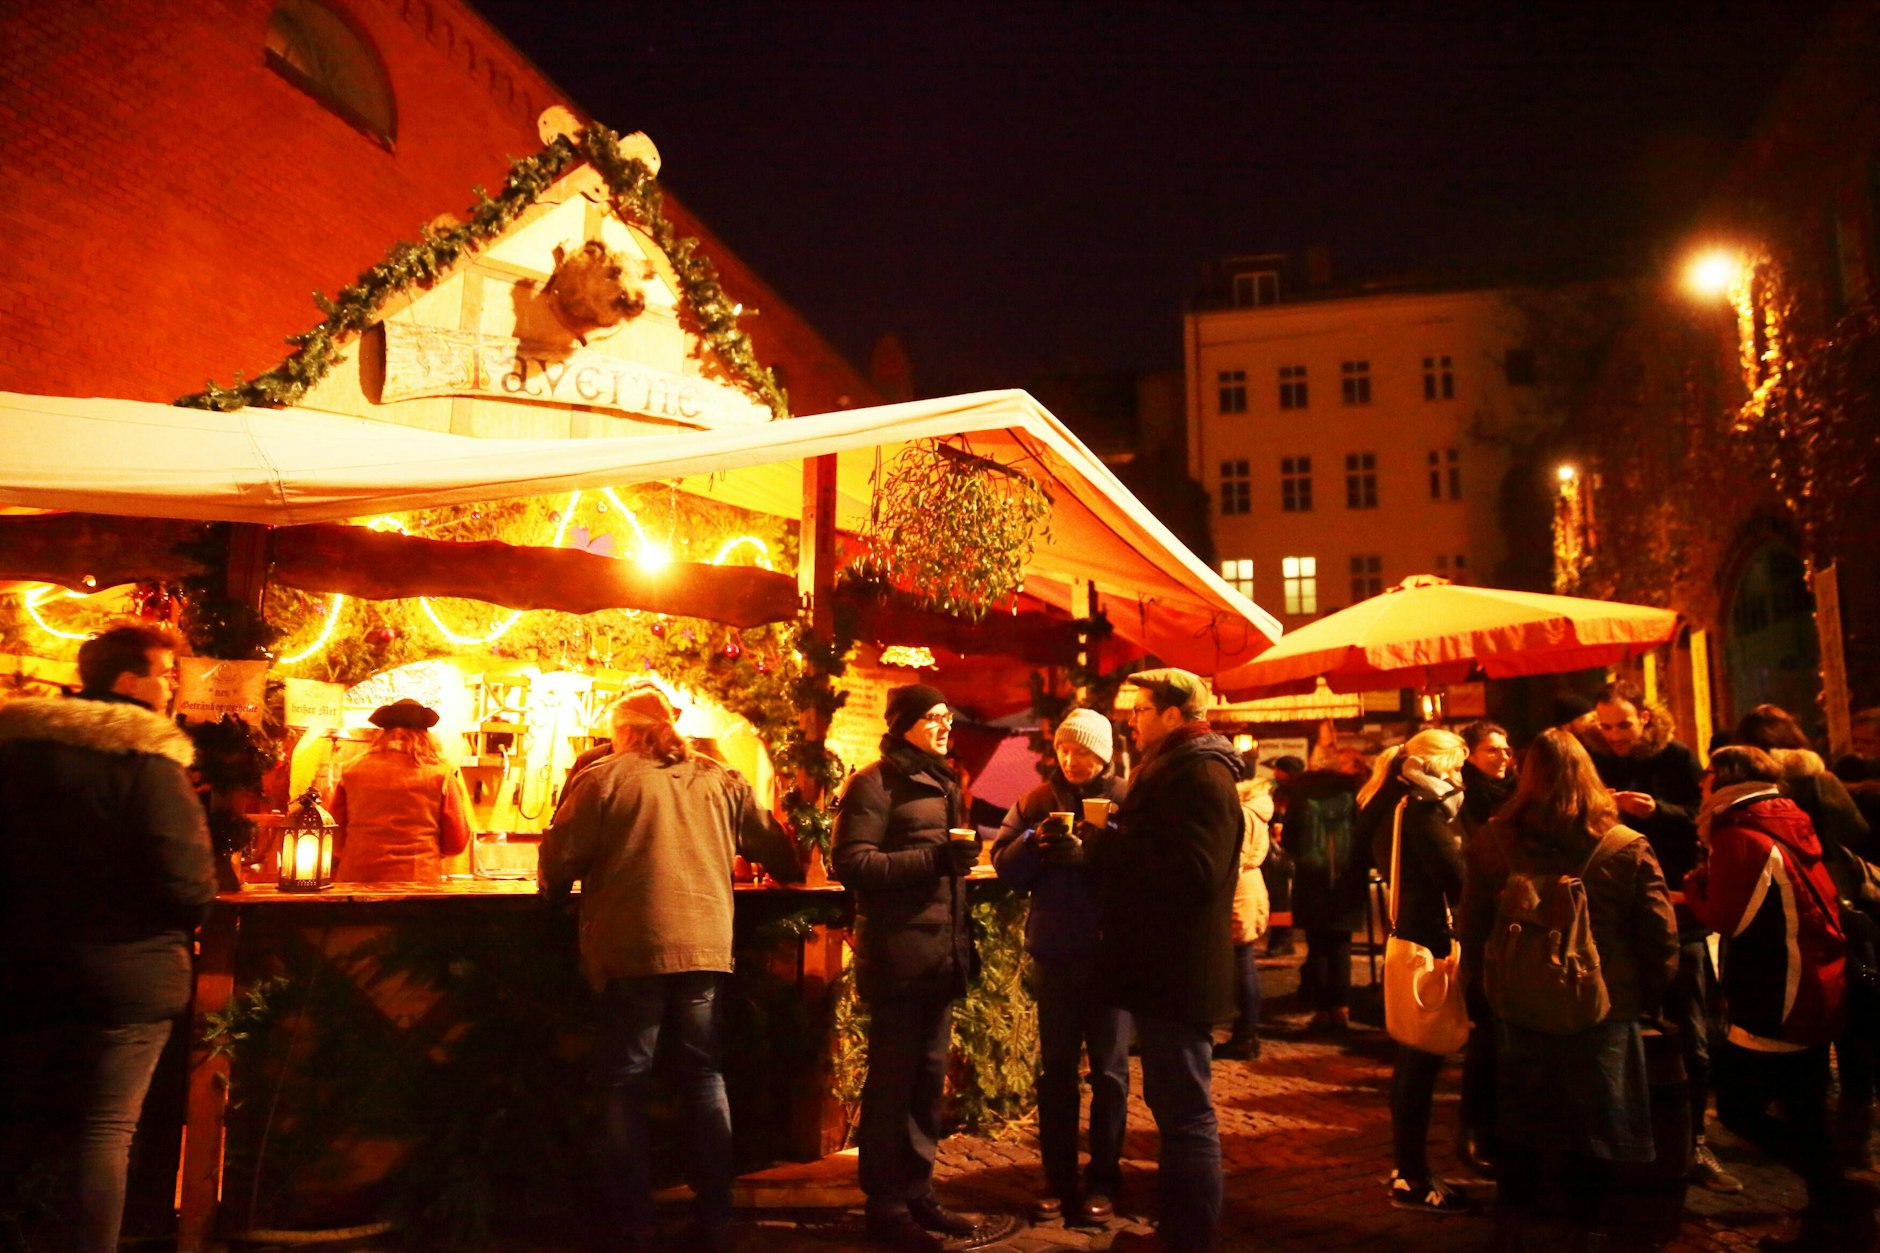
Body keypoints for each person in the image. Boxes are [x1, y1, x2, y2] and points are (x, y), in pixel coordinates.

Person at [540, 685, 802, 1252]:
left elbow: (560, 858)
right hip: (706, 944)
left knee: (624, 1082)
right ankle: (715, 1217)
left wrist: (553, 895)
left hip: (632, 947)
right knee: (705, 1077)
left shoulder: (603, 779)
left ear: (625, 731)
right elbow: (776, 849)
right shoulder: (721, 777)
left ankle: (631, 1224)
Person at [0, 624, 217, 1253]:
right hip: (127, 972)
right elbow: (185, 881)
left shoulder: (15, 755)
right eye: (166, 674)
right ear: (130, 683)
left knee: (20, 1121)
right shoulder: (146, 763)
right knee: (102, 1129)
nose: (172, 687)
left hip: (22, 964)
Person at [1462, 728, 1680, 1248]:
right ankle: (1593, 1220)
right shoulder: (1625, 846)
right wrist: (1646, 993)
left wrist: (1489, 988)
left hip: (1519, 1000)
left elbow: (1471, 927)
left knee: (1527, 1114)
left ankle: (1525, 1218)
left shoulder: (1493, 838)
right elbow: (1659, 934)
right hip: (1607, 1004)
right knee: (1602, 1118)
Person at [1682, 746, 1871, 1251]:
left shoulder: (1740, 834)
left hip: (1778, 992)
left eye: (1706, 776)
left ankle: (1839, 1194)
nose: (1700, 785)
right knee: (1804, 1107)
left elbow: (1727, 917)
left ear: (1724, 780)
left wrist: (1693, 887)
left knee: (1741, 1106)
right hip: (1813, 980)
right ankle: (1833, 1217)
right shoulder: (1786, 818)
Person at [831, 684, 999, 1250]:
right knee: (893, 1083)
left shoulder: (942, 781)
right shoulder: (874, 783)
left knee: (927, 1083)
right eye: (933, 717)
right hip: (900, 954)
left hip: (940, 952)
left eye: (948, 716)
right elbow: (852, 863)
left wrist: (959, 864)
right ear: (903, 723)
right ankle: (886, 1204)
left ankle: (919, 1190)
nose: (945, 725)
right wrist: (934, 860)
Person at [1085, 668, 1244, 1253]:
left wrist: (1112, 844)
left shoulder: (1199, 775)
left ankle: (1191, 1238)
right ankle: (1180, 1231)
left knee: (1186, 1113)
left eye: (1143, 709)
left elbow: (1195, 873)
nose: (1133, 718)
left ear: (1175, 714)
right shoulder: (1176, 769)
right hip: (1164, 967)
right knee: (1175, 1108)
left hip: (1181, 970)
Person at [1578, 679, 1730, 1191]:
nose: (1616, 735)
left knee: (1690, 1026)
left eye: (1624, 724)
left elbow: (1700, 819)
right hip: (1618, 904)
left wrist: (1655, 811)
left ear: (1645, 718)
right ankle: (1638, 1140)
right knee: (1627, 1024)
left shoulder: (1677, 756)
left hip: (1675, 902)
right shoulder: (1593, 757)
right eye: (1606, 726)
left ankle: (1694, 1142)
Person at [990, 707, 1130, 1226]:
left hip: (1111, 956)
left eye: (1084, 750)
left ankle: (1105, 1178)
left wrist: (1100, 847)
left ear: (1104, 754)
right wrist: (1033, 843)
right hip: (1056, 952)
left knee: (1111, 1074)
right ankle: (1058, 1177)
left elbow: (1143, 871)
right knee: (1056, 1073)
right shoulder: (1036, 802)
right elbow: (1006, 868)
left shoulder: (1126, 800)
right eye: (1066, 749)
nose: (1072, 759)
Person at [1359, 728, 1472, 1214]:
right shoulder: (1420, 811)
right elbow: (1456, 879)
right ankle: (1411, 1174)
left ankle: (1410, 1169)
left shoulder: (1392, 803)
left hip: (1412, 938)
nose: (1461, 777)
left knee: (1415, 1060)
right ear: (1438, 767)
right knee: (1420, 1060)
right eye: (1457, 767)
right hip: (1429, 943)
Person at [1455, 720, 1516, 1172]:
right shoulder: (1466, 799)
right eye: (1492, 750)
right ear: (1470, 756)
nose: (1503, 756)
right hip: (1485, 922)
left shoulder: (1517, 794)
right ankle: (1478, 1127)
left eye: (1505, 748)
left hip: (1515, 922)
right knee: (1487, 1028)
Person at [332, 698, 474, 883]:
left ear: (385, 733)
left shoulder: (351, 770)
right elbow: (456, 841)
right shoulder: (441, 774)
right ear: (425, 735)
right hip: (417, 884)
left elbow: (333, 833)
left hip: (357, 881)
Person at [1276, 753, 1365, 1032]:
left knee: (1317, 945)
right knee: (1341, 945)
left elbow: (1289, 839)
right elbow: (1364, 836)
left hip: (1312, 879)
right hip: (1347, 878)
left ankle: (1321, 1009)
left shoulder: (1302, 794)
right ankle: (1341, 1008)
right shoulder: (1355, 794)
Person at [1217, 767, 1273, 1060]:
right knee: (1245, 959)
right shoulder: (1257, 809)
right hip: (1250, 885)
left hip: (1238, 887)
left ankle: (1246, 1033)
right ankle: (1247, 1031)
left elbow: (1230, 853)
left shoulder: (1241, 812)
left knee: (1242, 961)